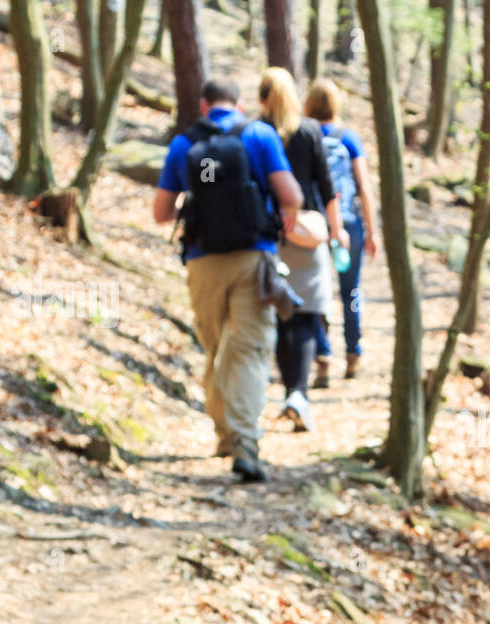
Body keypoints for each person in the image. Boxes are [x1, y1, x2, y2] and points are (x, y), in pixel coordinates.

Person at [152, 78, 302, 483]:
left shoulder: (185, 144)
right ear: (238, 104)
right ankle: (246, 444)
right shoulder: (259, 134)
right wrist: (283, 216)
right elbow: (291, 195)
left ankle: (223, 435)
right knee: (250, 350)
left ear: (203, 106)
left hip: (203, 261)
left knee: (216, 348)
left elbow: (161, 213)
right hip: (254, 258)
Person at [258, 67, 344, 428]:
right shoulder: (310, 131)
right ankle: (299, 393)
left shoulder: (257, 131)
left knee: (281, 312)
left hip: (272, 233)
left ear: (263, 98)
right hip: (308, 233)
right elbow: (327, 186)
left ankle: (290, 390)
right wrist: (337, 231)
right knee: (308, 313)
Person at [304, 78, 378, 383]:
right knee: (353, 290)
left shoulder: (304, 136)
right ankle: (353, 351)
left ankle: (322, 355)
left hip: (315, 225)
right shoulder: (349, 138)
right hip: (349, 222)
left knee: (318, 291)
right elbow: (363, 187)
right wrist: (372, 231)